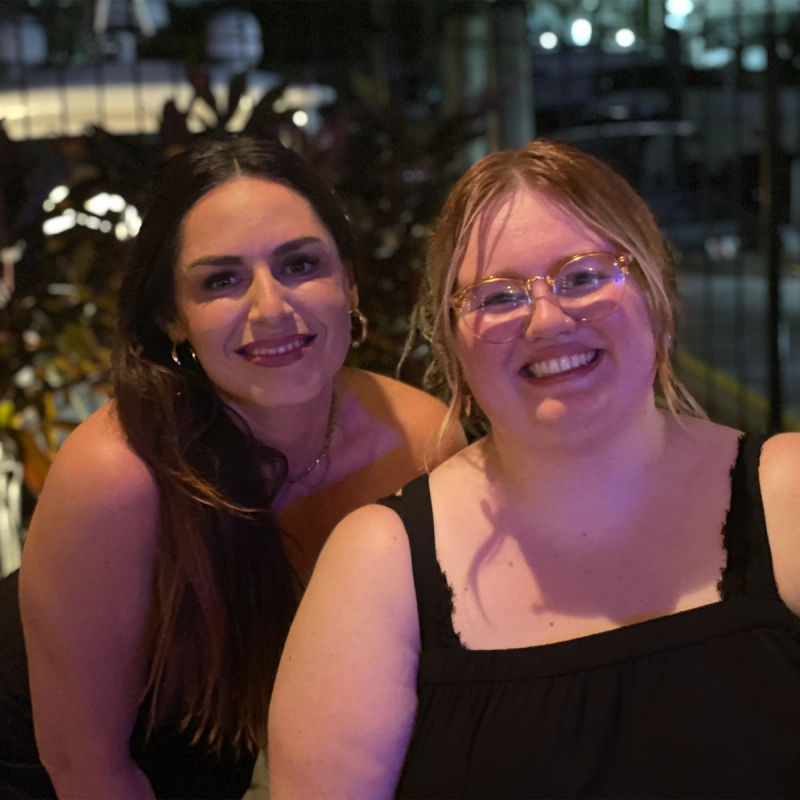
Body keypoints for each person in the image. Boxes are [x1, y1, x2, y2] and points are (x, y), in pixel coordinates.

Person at [268, 139, 800, 800]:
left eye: (583, 275)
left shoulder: (786, 496)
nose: (546, 319)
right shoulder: (380, 564)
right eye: (496, 297)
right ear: (454, 345)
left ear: (655, 292)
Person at [0, 137, 464, 800]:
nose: (271, 308)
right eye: (221, 280)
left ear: (349, 283)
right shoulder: (119, 473)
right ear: (171, 319)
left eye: (301, 264)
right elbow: (83, 765)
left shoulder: (420, 443)